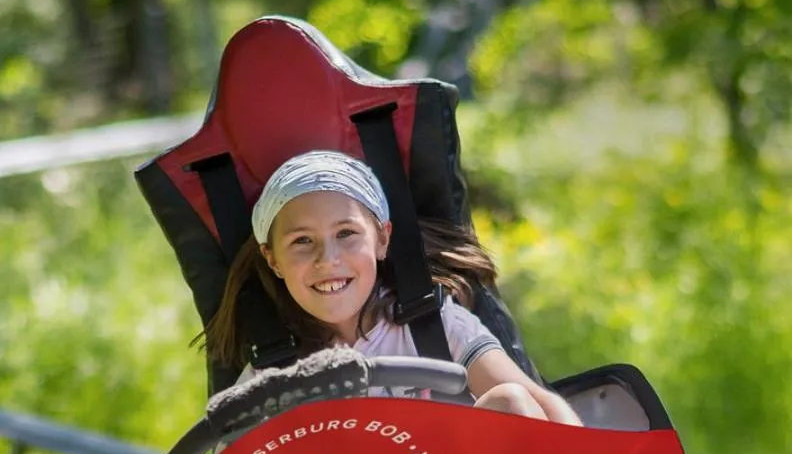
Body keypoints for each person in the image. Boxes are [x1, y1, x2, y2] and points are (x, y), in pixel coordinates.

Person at [203, 150, 582, 424]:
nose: (327, 259)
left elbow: (539, 404)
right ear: (273, 260)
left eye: (346, 233)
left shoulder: (434, 326)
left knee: (512, 399)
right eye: (302, 241)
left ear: (382, 240)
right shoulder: (270, 378)